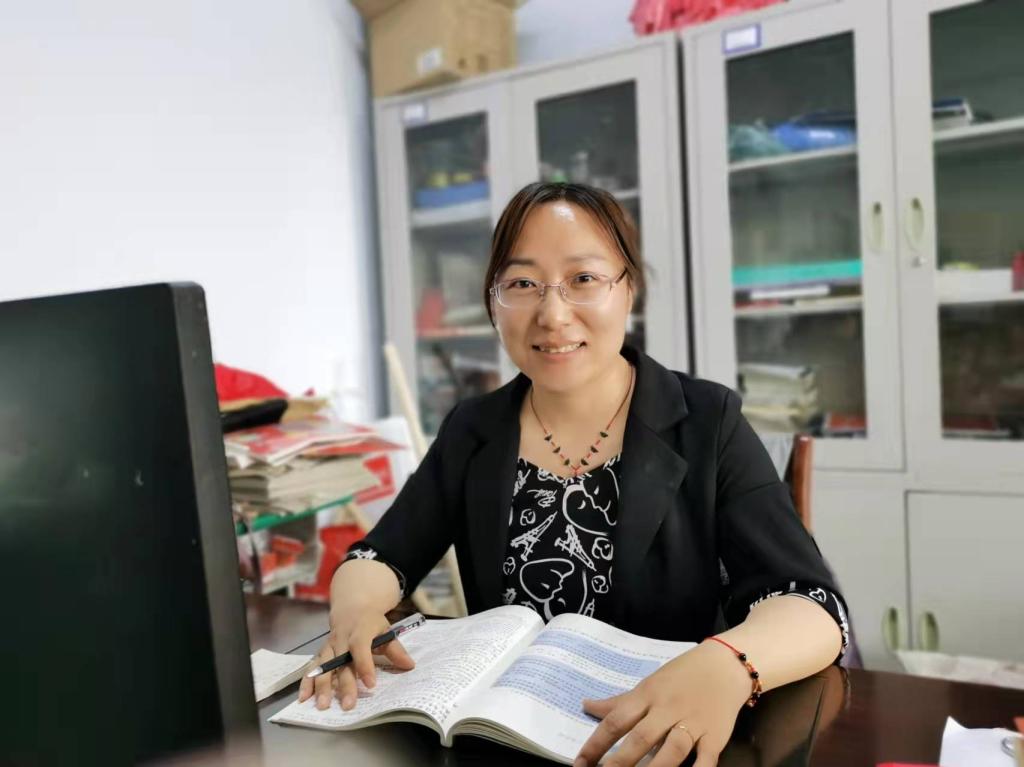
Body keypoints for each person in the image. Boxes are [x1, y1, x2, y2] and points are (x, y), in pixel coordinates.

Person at [298, 182, 849, 767]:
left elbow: (812, 604)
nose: (552, 315)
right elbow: (381, 556)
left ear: (628, 288)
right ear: (493, 301)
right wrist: (356, 610)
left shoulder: (707, 421)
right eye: (522, 284)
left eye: (583, 279)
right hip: (510, 743)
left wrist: (727, 664)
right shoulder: (474, 429)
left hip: (659, 740)